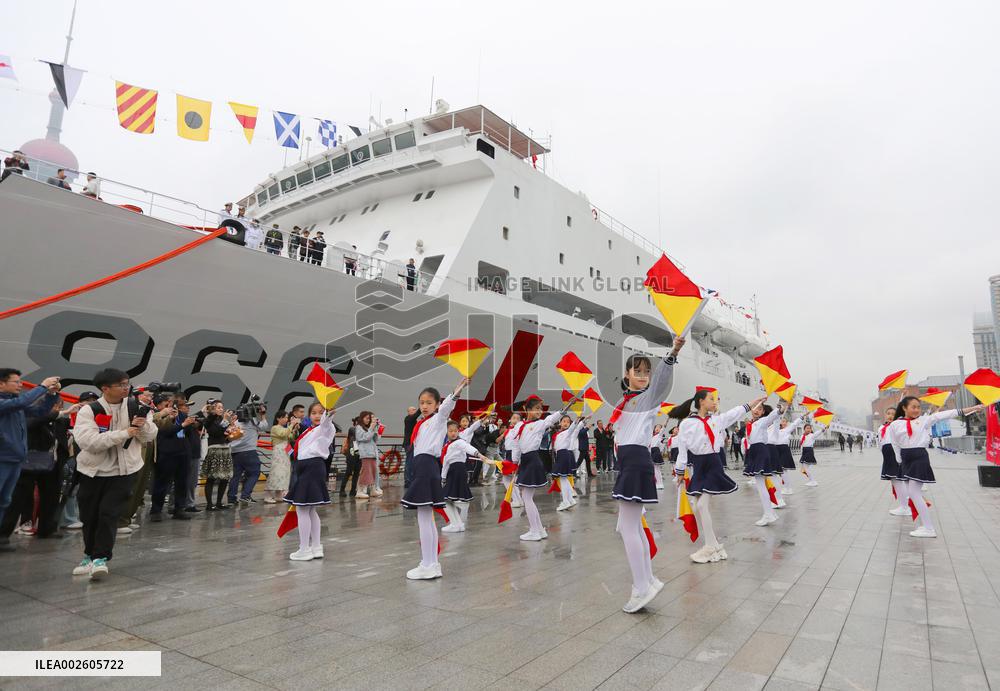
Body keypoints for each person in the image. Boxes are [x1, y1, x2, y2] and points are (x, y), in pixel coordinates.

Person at [609, 335, 685, 613]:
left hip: (635, 459)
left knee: (629, 528)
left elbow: (663, 380)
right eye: (637, 371)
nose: (642, 375)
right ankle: (648, 579)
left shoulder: (647, 397)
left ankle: (641, 588)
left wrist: (673, 352)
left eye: (646, 372)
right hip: (631, 459)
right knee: (632, 526)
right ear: (627, 374)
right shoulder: (624, 401)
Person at [71, 368, 157, 580]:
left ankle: (101, 558)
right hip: (93, 471)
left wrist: (143, 425)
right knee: (89, 515)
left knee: (108, 513)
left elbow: (149, 436)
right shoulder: (89, 410)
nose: (126, 389)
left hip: (125, 470)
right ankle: (88, 555)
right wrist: (124, 433)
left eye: (127, 384)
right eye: (121, 385)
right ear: (105, 388)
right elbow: (88, 442)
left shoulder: (136, 406)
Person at [670, 390, 764, 564]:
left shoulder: (716, 420)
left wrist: (753, 402)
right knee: (699, 506)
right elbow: (682, 452)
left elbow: (736, 412)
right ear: (701, 402)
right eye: (711, 399)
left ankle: (709, 547)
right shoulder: (686, 424)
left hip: (712, 463)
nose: (715, 402)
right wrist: (680, 472)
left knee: (702, 505)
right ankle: (714, 545)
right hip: (698, 465)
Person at [888, 397, 984, 538]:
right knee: (912, 493)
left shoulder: (924, 421)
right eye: (913, 407)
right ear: (904, 408)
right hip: (905, 459)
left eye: (918, 407)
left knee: (914, 493)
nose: (916, 410)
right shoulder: (895, 424)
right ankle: (926, 525)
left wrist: (972, 409)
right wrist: (899, 459)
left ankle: (929, 528)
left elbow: (946, 414)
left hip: (919, 457)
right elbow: (895, 443)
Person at [401, 377, 468, 580]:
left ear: (437, 404)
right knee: (426, 519)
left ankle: (429, 564)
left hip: (426, 467)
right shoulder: (422, 424)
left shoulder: (439, 419)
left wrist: (456, 393)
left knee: (424, 519)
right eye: (422, 402)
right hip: (424, 467)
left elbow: (447, 409)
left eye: (429, 402)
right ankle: (431, 563)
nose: (424, 406)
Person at [0, 370, 61, 549]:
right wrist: (42, 386)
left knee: (5, 500)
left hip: (15, 458)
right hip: (3, 457)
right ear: (1, 384)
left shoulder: (14, 404)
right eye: (16, 382)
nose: (20, 385)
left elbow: (39, 410)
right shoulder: (6, 403)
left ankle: (1, 537)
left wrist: (51, 394)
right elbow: (23, 401)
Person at [514, 395, 569, 541]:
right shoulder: (520, 425)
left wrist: (566, 407)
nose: (539, 411)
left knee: (527, 498)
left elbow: (551, 419)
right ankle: (539, 530)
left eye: (540, 409)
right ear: (527, 409)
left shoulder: (539, 424)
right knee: (527, 498)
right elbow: (517, 446)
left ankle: (534, 530)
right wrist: (514, 463)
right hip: (525, 461)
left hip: (532, 460)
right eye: (536, 409)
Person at [286, 402, 336, 561]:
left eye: (320, 412)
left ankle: (304, 549)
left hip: (312, 468)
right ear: (309, 415)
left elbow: (326, 424)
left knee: (302, 509)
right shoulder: (310, 430)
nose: (317, 415)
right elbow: (297, 446)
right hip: (310, 468)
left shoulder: (325, 428)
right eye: (313, 413)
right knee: (310, 510)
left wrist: (328, 415)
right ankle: (316, 547)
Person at [148, 395, 195, 521]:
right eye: (167, 404)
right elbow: (165, 431)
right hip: (166, 453)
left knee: (182, 483)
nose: (171, 407)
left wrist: (187, 424)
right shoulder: (158, 417)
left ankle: (179, 509)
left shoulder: (182, 416)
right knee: (162, 483)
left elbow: (188, 433)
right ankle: (156, 510)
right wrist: (182, 425)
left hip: (182, 453)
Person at [441, 420, 490, 532]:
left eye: (455, 431)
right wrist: (443, 477)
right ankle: (458, 524)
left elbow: (469, 448)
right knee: (448, 499)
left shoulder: (459, 442)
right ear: (447, 432)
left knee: (446, 499)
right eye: (450, 431)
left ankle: (456, 524)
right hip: (453, 471)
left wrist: (479, 455)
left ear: (458, 431)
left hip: (458, 470)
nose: (453, 433)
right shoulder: (448, 445)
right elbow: (446, 463)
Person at [741, 400, 784, 526]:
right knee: (761, 485)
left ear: (762, 412)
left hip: (760, 450)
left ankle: (768, 514)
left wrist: (779, 410)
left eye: (759, 409)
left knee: (761, 486)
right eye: (754, 408)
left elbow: (771, 417)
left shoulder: (761, 422)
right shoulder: (751, 424)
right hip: (755, 451)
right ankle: (769, 513)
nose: (756, 410)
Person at [227, 405, 269, 506]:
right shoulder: (252, 422)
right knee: (254, 473)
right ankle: (245, 495)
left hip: (235, 452)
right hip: (249, 452)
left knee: (235, 476)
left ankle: (231, 498)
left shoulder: (236, 423)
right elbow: (264, 426)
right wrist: (262, 414)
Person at [201, 400, 235, 510]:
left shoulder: (222, 420)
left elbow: (224, 434)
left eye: (222, 407)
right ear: (213, 408)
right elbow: (216, 431)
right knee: (212, 477)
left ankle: (219, 502)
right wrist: (226, 420)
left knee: (225, 477)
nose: (221, 409)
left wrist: (232, 429)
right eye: (218, 407)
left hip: (225, 448)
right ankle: (209, 504)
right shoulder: (209, 419)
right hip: (215, 449)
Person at [879, 407, 910, 516]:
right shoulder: (881, 427)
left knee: (898, 481)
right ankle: (904, 505)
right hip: (887, 456)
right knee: (895, 482)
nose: (890, 415)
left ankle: (905, 507)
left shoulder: (897, 426)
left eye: (893, 413)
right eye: (888, 413)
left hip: (895, 454)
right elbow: (880, 443)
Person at [552, 413, 585, 511]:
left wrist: (578, 421)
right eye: (564, 421)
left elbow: (574, 429)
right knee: (564, 479)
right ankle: (570, 499)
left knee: (563, 479)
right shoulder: (558, 433)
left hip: (563, 455)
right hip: (561, 455)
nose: (566, 423)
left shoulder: (568, 432)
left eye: (568, 422)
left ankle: (566, 501)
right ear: (560, 423)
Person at [176, 397, 203, 513]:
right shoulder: (178, 420)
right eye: (185, 406)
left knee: (192, 481)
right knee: (184, 481)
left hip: (194, 454)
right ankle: (180, 504)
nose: (188, 408)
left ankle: (189, 503)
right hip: (186, 454)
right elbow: (179, 434)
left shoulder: (187, 419)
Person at [265, 411, 297, 503]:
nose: (286, 419)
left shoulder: (285, 428)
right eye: (284, 417)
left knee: (284, 473)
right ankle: (268, 495)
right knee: (276, 473)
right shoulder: (275, 428)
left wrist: (294, 429)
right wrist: (291, 425)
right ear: (278, 418)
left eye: (287, 418)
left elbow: (291, 437)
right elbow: (283, 434)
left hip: (285, 452)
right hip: (278, 452)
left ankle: (278, 494)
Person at [354, 412, 382, 499]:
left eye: (369, 419)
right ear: (362, 418)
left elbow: (375, 440)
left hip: (372, 453)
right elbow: (364, 438)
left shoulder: (368, 428)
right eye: (366, 418)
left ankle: (373, 490)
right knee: (366, 472)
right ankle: (360, 491)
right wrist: (371, 428)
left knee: (373, 472)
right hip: (365, 453)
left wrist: (376, 428)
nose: (368, 420)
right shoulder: (359, 428)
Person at [338, 421, 362, 498]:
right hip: (352, 454)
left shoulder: (361, 431)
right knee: (348, 472)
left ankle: (353, 490)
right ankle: (342, 490)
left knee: (356, 473)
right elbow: (352, 439)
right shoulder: (353, 429)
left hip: (359, 454)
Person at [798, 420, 825, 486]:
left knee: (806, 467)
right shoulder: (802, 436)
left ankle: (812, 481)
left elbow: (817, 433)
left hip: (809, 451)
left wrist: (823, 429)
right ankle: (811, 480)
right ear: (804, 429)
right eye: (807, 428)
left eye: (810, 428)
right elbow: (801, 445)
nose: (809, 429)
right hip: (804, 451)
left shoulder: (812, 435)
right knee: (806, 467)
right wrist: (801, 452)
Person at [650, 423, 666, 490]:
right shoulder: (652, 436)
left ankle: (660, 484)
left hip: (656, 451)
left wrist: (666, 422)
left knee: (657, 469)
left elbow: (663, 428)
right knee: (654, 469)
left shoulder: (659, 436)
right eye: (656, 427)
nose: (657, 428)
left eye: (659, 427)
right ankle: (658, 483)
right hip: (651, 451)